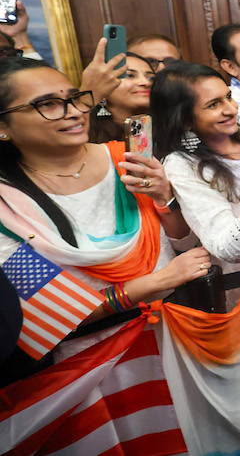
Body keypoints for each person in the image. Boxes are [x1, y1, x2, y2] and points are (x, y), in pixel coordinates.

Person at [0, 57, 208, 382]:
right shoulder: (6, 205)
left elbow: (183, 244)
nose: (72, 111)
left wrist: (164, 198)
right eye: (48, 105)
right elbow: (48, 313)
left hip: (174, 330)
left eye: (73, 98)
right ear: (3, 126)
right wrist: (157, 281)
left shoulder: (124, 158)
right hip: (84, 366)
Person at [152, 62, 240, 287]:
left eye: (229, 96)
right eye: (214, 104)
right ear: (184, 119)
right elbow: (230, 249)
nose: (231, 109)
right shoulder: (182, 165)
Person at [89, 53, 155, 142]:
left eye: (150, 77)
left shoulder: (168, 129)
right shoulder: (87, 133)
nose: (146, 82)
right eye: (130, 75)